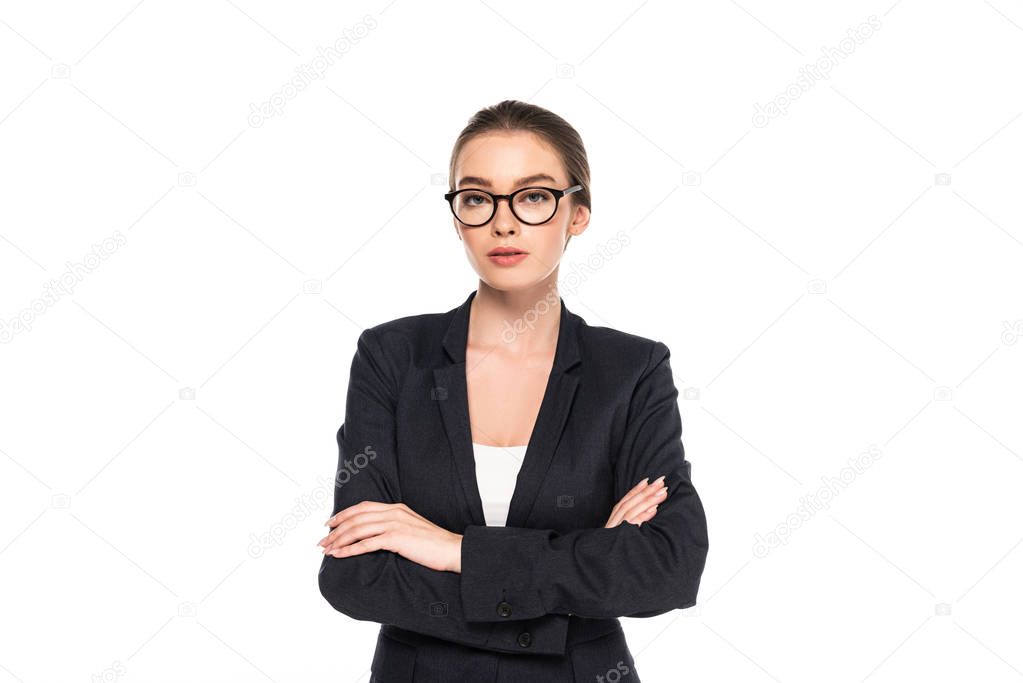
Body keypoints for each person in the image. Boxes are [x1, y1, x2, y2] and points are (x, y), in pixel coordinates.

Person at [317, 99, 709, 682]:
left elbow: (667, 568)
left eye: (533, 196)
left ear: (577, 213)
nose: (503, 223)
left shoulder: (631, 369)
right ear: (456, 216)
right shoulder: (393, 356)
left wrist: (453, 551)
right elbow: (354, 576)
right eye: (476, 198)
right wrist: (581, 564)